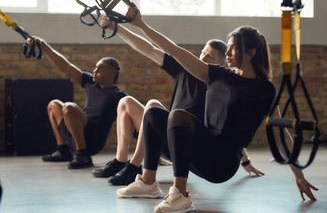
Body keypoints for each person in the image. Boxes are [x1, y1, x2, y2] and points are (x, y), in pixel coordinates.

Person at [115, 6, 318, 212]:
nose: (228, 53)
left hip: (223, 162)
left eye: (233, 48)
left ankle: (180, 195)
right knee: (153, 113)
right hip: (201, 152)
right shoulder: (218, 74)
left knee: (178, 115)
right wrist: (141, 25)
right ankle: (148, 183)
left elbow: (280, 134)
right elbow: (176, 51)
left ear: (251, 52)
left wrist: (299, 175)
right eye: (228, 48)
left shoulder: (265, 89)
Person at [93, 16, 264, 185]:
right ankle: (121, 161)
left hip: (187, 145)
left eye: (209, 57)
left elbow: (230, 130)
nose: (202, 58)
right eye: (203, 53)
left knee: (153, 104)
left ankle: (134, 167)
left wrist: (245, 161)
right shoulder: (184, 70)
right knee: (127, 102)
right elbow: (148, 49)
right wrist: (118, 28)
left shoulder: (218, 84)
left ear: (220, 64)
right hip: (165, 135)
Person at [26, 38, 128, 169]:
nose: (95, 71)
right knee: (54, 105)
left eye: (99, 69)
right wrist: (43, 45)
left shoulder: (119, 96)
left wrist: (154, 155)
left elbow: (137, 124)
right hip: (77, 132)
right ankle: (63, 150)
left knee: (69, 107)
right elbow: (65, 65)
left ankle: (83, 155)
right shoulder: (91, 82)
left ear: (111, 74)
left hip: (93, 141)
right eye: (95, 67)